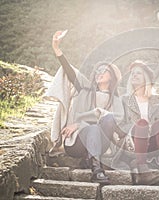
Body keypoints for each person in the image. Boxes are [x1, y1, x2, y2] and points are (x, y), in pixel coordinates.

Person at [47, 30, 124, 185]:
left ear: (112, 76)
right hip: (76, 142)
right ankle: (97, 169)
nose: (98, 73)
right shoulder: (84, 89)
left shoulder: (116, 100)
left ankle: (92, 160)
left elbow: (118, 122)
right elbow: (69, 71)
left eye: (104, 71)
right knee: (94, 128)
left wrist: (79, 123)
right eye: (97, 70)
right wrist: (57, 48)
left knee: (108, 117)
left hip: (102, 142)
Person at [118, 60, 159, 186]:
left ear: (146, 78)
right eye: (132, 73)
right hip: (133, 142)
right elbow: (120, 125)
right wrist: (139, 126)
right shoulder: (124, 100)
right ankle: (142, 171)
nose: (134, 75)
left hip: (154, 142)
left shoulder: (157, 100)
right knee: (142, 124)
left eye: (138, 73)